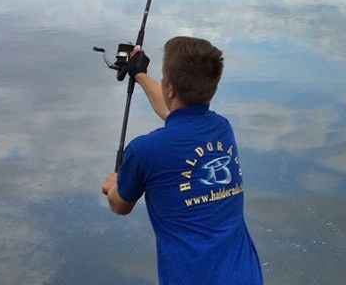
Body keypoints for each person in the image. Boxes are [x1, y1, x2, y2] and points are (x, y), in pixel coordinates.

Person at [101, 36, 263, 285]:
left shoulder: (144, 151)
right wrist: (140, 75)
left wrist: (113, 184)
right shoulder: (222, 129)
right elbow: (174, 113)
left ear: (170, 88)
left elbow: (119, 205)